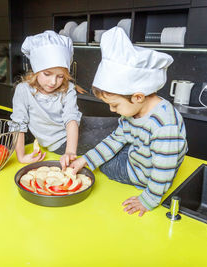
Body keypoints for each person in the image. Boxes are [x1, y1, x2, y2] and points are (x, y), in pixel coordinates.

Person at [70, 27, 188, 217]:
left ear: (138, 97)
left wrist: (148, 200)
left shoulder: (166, 127)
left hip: (143, 175)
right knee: (110, 145)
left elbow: (163, 170)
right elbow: (115, 139)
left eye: (115, 105)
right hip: (142, 157)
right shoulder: (135, 111)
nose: (112, 110)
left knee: (106, 163)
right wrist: (85, 160)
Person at [10, 30, 84, 169]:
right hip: (60, 143)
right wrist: (21, 156)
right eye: (47, 74)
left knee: (118, 125)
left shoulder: (68, 89)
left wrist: (70, 151)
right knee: (115, 138)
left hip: (71, 138)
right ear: (36, 70)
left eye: (60, 76)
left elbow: (71, 119)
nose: (53, 82)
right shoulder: (24, 90)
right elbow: (18, 124)